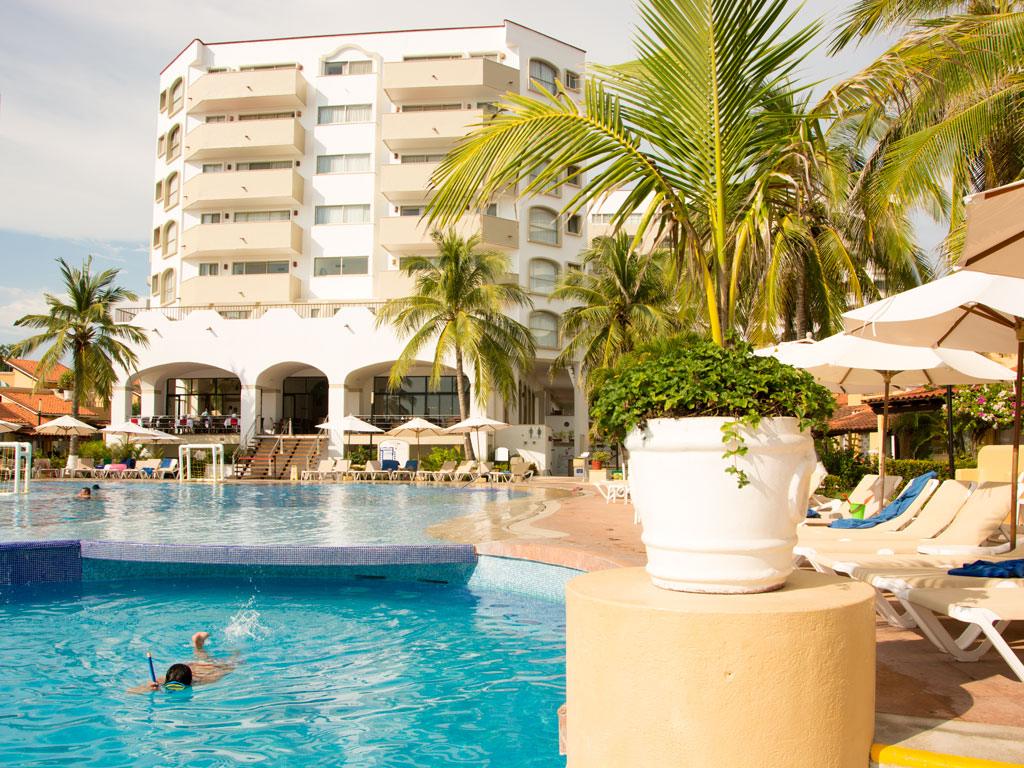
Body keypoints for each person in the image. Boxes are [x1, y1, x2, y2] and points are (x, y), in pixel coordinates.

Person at [128, 632, 236, 694]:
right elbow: (131, 691)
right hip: (191, 667)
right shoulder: (163, 680)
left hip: (204, 668)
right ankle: (198, 645)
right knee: (202, 657)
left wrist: (233, 661)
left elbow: (224, 670)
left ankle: (198, 645)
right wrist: (149, 686)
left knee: (207, 660)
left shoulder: (203, 680)